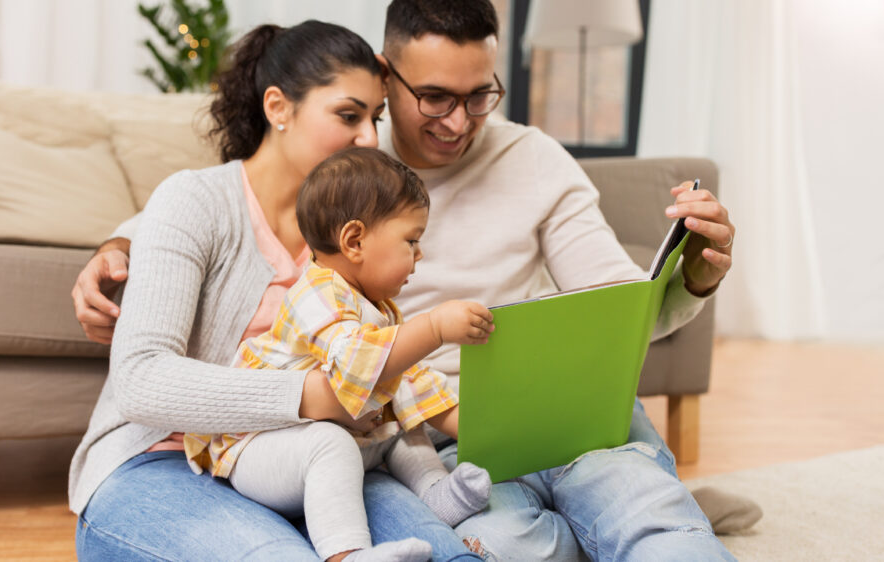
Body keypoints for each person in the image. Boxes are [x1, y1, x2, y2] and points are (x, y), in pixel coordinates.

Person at [73, 1, 743, 560]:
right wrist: (119, 244)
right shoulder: (332, 172)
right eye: (433, 98)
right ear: (389, 78)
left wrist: (693, 279)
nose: (457, 121)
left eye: (480, 95)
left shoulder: (464, 179)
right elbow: (212, 205)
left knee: (578, 530)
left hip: (436, 426)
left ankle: (638, 506)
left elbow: (616, 309)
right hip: (340, 434)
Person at [69, 20, 485, 562]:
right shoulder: (197, 203)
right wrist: (311, 398)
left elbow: (389, 366)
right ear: (278, 107)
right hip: (162, 457)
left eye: (375, 118)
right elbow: (140, 378)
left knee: (447, 556)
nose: (368, 137)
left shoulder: (359, 235)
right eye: (348, 114)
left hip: (324, 456)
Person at [185, 146, 497, 562]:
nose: (419, 255)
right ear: (354, 240)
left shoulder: (379, 309)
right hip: (260, 448)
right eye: (411, 240)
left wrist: (489, 430)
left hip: (328, 441)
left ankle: (435, 493)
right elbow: (357, 365)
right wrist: (435, 327)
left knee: (403, 422)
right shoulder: (316, 293)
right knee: (331, 444)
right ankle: (346, 554)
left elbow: (411, 387)